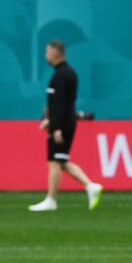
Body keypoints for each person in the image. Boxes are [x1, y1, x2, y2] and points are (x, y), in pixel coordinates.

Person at [29, 39, 103, 212]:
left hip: (62, 125)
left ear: (56, 53)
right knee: (61, 161)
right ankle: (91, 186)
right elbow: (58, 104)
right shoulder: (65, 73)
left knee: (54, 162)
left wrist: (56, 128)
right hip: (64, 122)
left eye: (47, 51)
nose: (45, 55)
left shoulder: (61, 75)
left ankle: (51, 200)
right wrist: (50, 121)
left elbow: (61, 105)